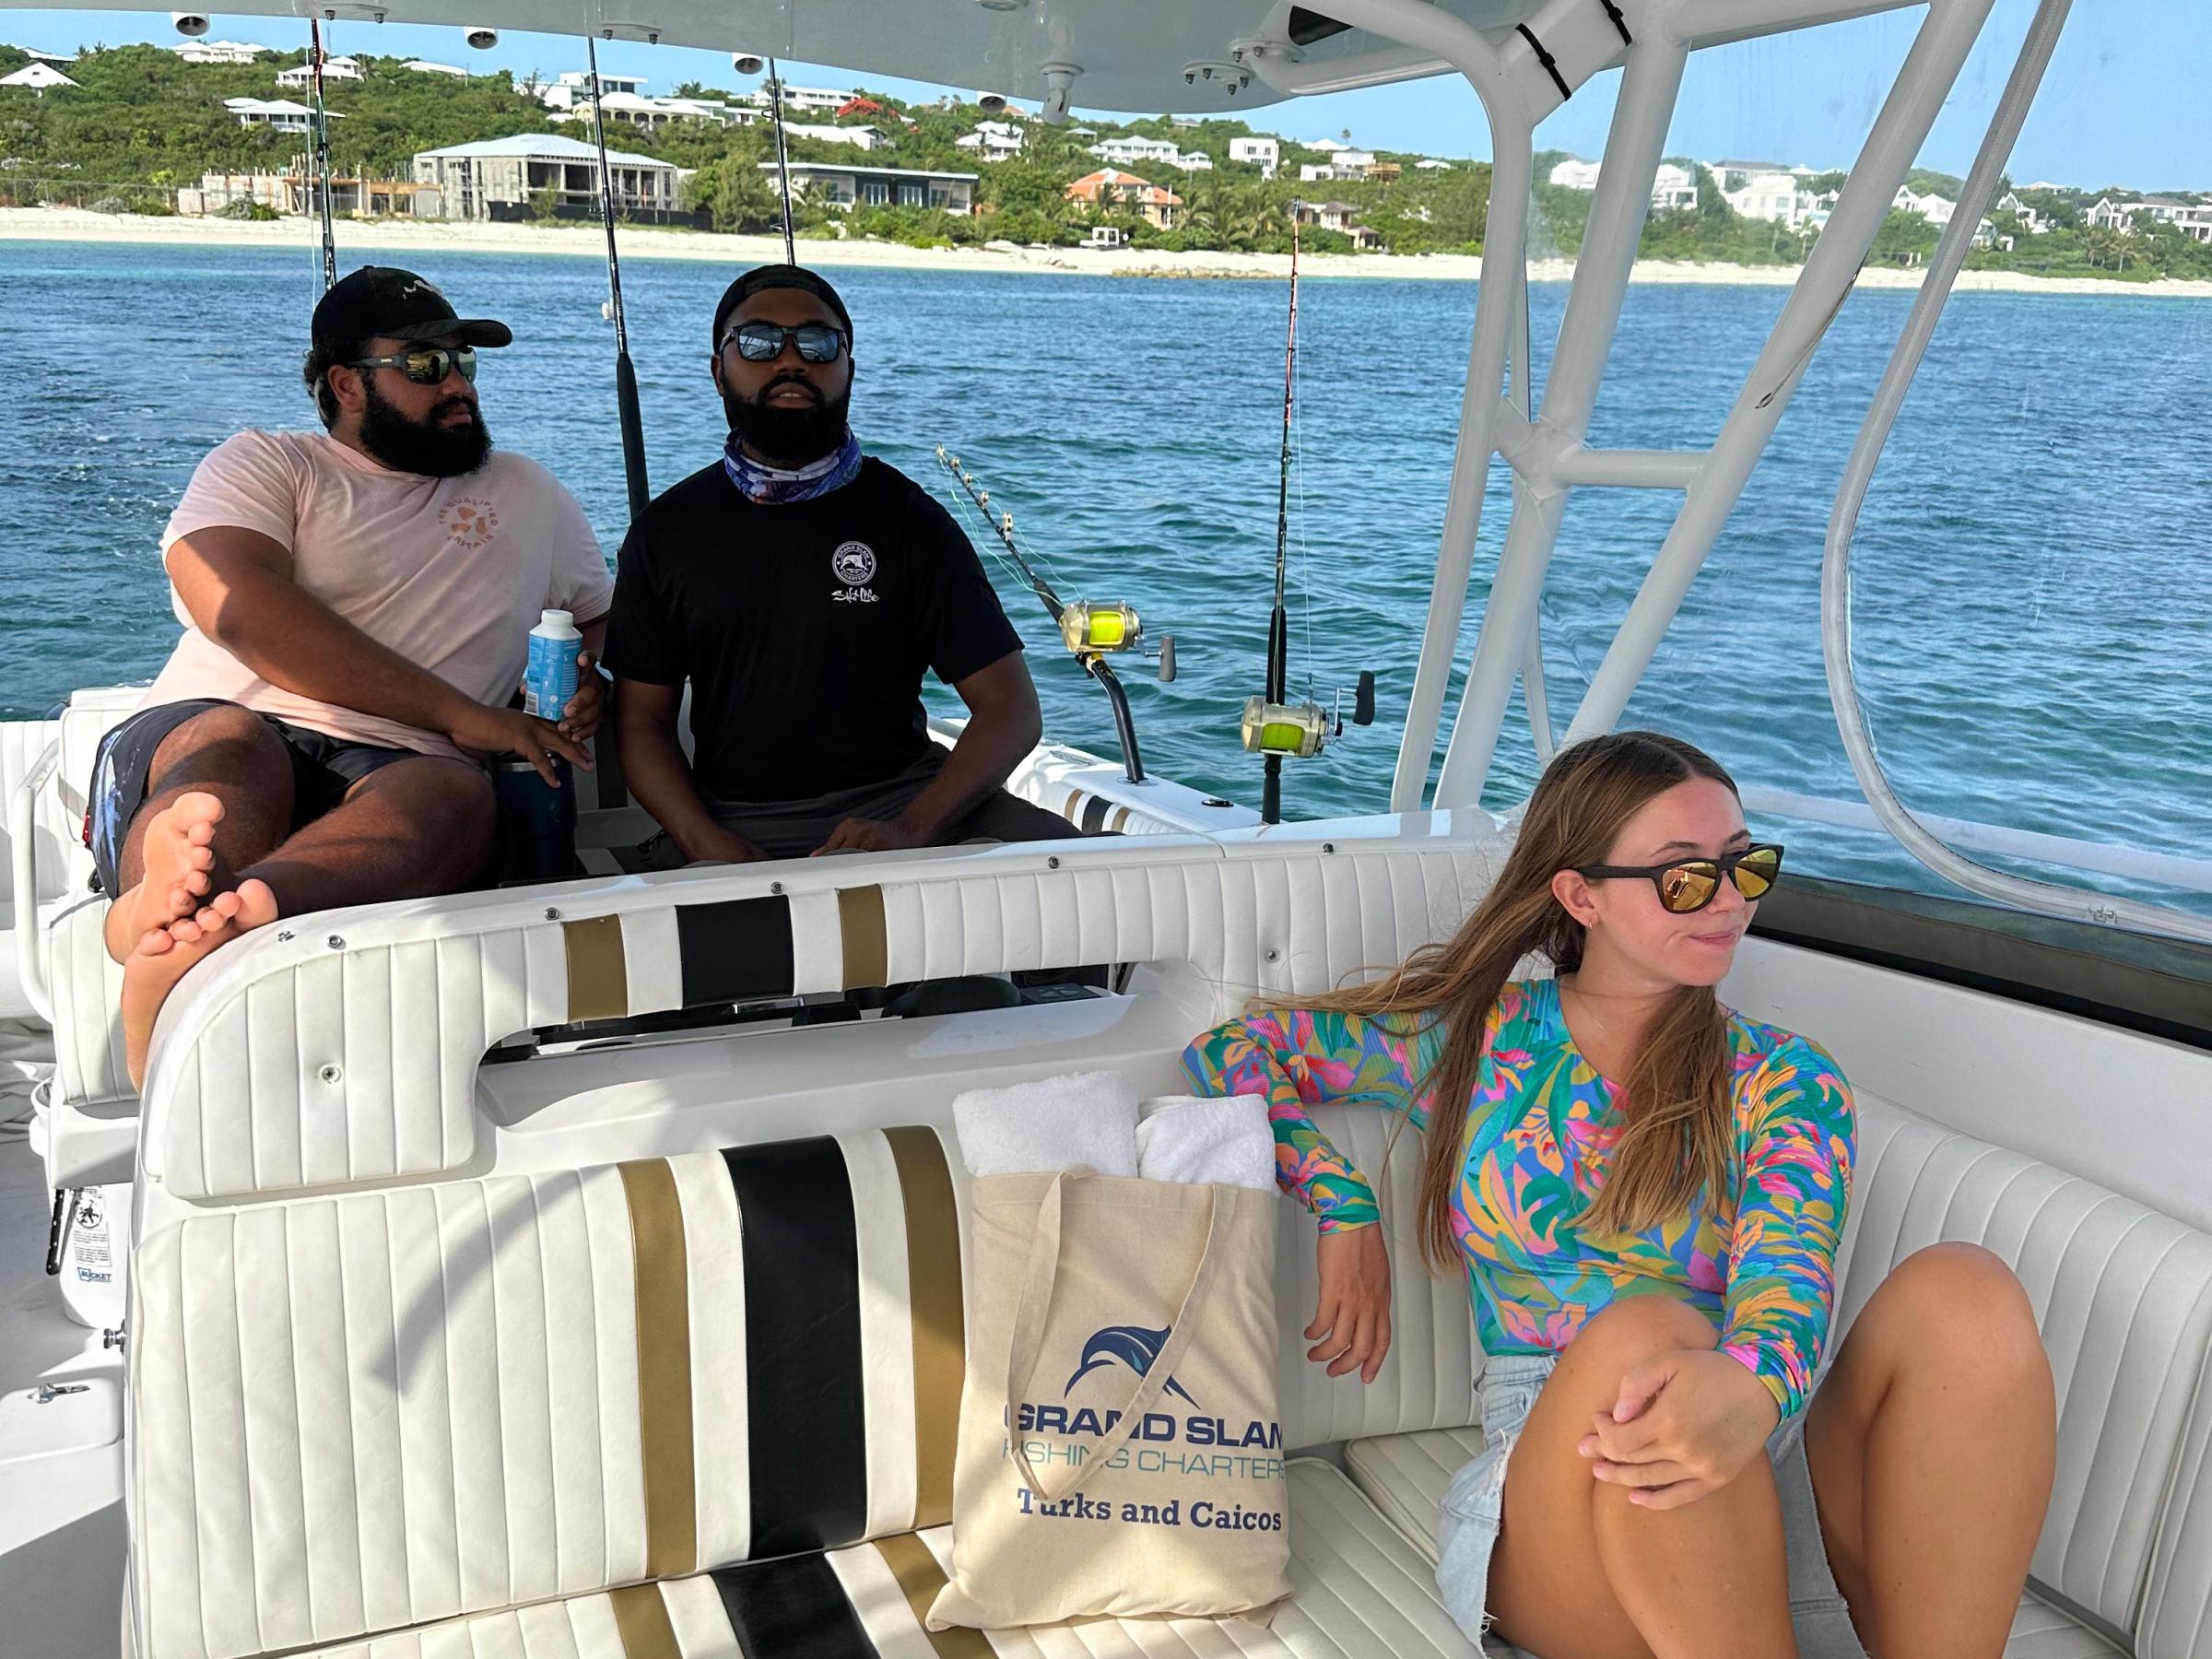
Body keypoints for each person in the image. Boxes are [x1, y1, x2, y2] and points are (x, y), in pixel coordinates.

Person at [1183, 732, 2056, 1659]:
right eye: (1684, 879)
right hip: (1565, 1498)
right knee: (1651, 1341)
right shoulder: (1477, 1042)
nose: (1727, 902)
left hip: (1755, 1434)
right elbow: (1234, 1055)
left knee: (1969, 1293)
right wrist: (1342, 1204)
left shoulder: (1784, 1078)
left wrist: (1752, 1391)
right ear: (1579, 895)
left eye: (1745, 867)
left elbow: (1786, 1287)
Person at [90, 265, 614, 1088]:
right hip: (229, 714)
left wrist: (592, 676)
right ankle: (155, 905)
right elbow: (238, 606)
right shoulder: (267, 464)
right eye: (423, 366)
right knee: (230, 747)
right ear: (345, 383)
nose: (457, 387)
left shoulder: (530, 492)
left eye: (463, 365)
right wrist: (459, 713)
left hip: (405, 765)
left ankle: (218, 920)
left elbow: (595, 619)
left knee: (453, 796)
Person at [603, 265, 1077, 865]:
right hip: (735, 818)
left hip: (908, 799)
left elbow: (1010, 708)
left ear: (848, 368)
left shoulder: (911, 521)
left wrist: (912, 828)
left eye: (819, 342)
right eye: (759, 342)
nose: (791, 359)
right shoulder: (665, 534)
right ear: (718, 373)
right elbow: (642, 724)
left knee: (1082, 880)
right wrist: (703, 840)